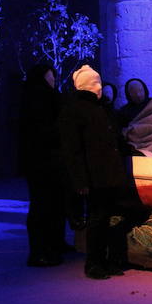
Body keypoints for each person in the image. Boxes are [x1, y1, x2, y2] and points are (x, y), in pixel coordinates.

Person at [58, 65, 132, 280]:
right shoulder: (74, 110)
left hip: (108, 172)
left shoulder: (102, 108)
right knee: (97, 218)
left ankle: (107, 260)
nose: (99, 87)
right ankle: (94, 263)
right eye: (94, 83)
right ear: (86, 86)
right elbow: (72, 149)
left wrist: (133, 151)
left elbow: (115, 139)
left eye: (99, 82)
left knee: (106, 217)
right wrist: (80, 180)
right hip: (94, 175)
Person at [19, 64, 68, 267]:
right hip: (42, 161)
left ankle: (54, 244)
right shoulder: (37, 99)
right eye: (50, 76)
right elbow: (42, 131)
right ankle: (40, 251)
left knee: (54, 204)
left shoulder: (43, 97)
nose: (53, 79)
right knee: (43, 205)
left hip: (47, 159)